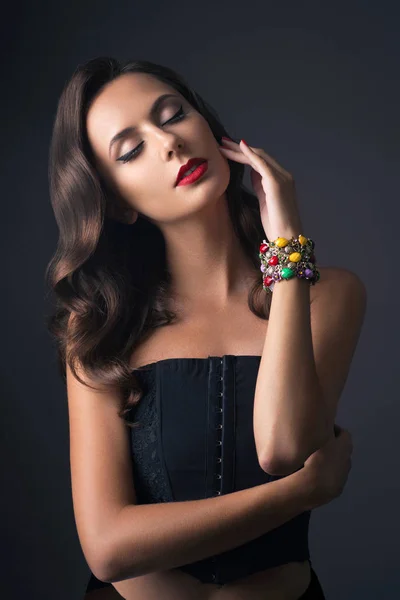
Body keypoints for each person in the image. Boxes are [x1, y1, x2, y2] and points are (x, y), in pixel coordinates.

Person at [45, 57, 363, 599]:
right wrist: (304, 491)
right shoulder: (99, 325)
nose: (169, 144)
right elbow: (107, 549)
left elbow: (283, 448)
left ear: (210, 129)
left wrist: (286, 250)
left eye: (172, 115)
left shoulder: (328, 294)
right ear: (117, 202)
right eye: (131, 149)